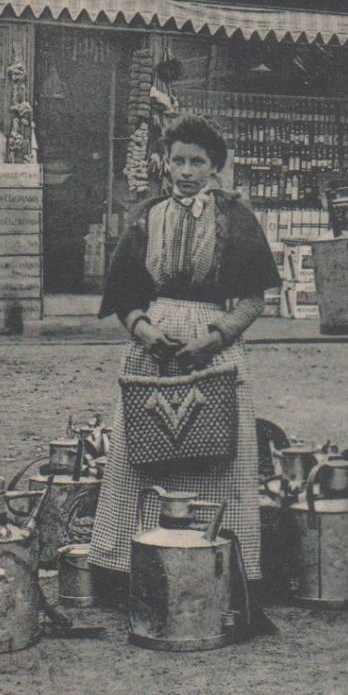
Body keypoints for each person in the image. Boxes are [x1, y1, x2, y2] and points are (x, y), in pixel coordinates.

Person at [90, 114, 281, 595]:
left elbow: (256, 300)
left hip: (213, 348)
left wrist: (214, 339)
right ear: (166, 164)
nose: (187, 171)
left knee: (215, 457)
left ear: (215, 167)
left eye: (198, 161)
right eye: (179, 160)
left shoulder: (235, 219)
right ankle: (128, 568)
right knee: (144, 454)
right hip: (153, 349)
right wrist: (143, 329)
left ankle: (212, 571)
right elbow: (124, 295)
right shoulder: (145, 216)